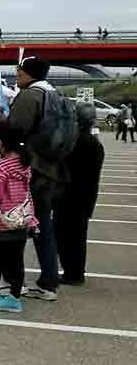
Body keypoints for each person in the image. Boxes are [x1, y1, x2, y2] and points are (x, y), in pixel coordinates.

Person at [6, 55, 70, 301]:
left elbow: (14, 131)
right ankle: (49, 282)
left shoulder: (30, 96)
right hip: (50, 169)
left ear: (28, 73)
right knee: (43, 226)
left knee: (17, 224)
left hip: (29, 170)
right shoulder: (54, 95)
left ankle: (14, 281)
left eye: (20, 70)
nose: (17, 74)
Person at [0, 125, 38, 313]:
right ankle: (14, 296)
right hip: (22, 218)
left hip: (3, 221)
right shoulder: (24, 163)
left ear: (2, 145)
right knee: (17, 260)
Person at [56, 103, 104, 285]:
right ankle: (76, 272)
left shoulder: (73, 142)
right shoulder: (96, 145)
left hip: (68, 196)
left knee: (64, 235)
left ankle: (72, 272)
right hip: (86, 197)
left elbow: (62, 166)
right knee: (78, 237)